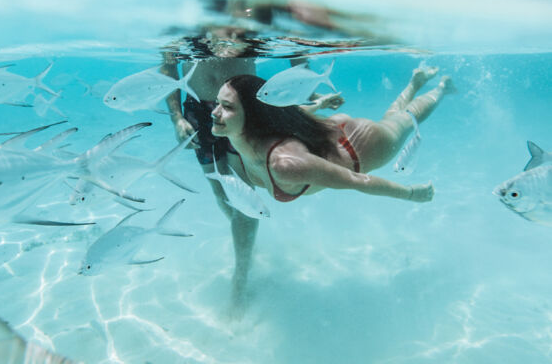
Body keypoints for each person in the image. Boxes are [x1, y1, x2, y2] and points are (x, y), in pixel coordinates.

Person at [161, 27, 342, 315]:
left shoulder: (244, 25)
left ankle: (240, 278)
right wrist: (176, 117)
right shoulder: (185, 28)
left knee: (244, 198)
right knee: (221, 194)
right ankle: (244, 242)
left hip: (244, 110)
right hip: (197, 109)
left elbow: (293, 46)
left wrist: (307, 89)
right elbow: (168, 66)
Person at [211, 65, 455, 205]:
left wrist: (411, 194)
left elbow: (357, 180)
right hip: (330, 132)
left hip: (360, 146)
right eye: (218, 103)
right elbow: (283, 115)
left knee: (406, 120)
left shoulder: (284, 165)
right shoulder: (246, 138)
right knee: (392, 120)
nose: (214, 112)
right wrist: (319, 104)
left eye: (227, 106)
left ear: (252, 116)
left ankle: (442, 88)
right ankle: (415, 82)